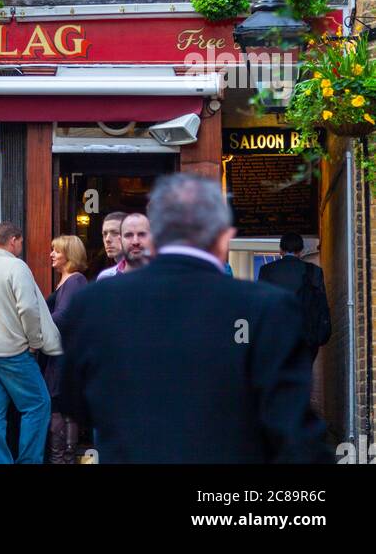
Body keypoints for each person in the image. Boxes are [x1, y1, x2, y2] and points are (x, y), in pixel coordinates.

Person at [58, 174, 331, 464]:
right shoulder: (268, 308)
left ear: (156, 234)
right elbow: (294, 432)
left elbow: (75, 402)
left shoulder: (94, 303)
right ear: (224, 236)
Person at [0, 221, 61, 465]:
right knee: (38, 404)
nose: (21, 246)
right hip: (12, 350)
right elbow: (28, 309)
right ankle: (29, 461)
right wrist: (35, 341)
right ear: (13, 240)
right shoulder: (16, 267)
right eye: (20, 242)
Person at [45, 235, 89, 464]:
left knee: (61, 406)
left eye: (57, 251)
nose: (51, 254)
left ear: (70, 255)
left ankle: (63, 459)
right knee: (59, 407)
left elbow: (63, 318)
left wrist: (36, 325)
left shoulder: (75, 280)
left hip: (66, 355)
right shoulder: (66, 281)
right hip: (58, 354)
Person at [259, 231, 332, 362]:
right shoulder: (314, 271)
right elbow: (322, 305)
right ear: (301, 250)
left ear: (281, 250)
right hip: (306, 336)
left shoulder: (267, 270)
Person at [94, 211, 127, 280]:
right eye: (105, 234)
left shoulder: (148, 275)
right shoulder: (104, 277)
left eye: (115, 233)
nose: (107, 239)